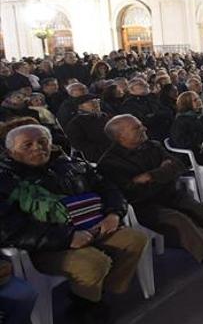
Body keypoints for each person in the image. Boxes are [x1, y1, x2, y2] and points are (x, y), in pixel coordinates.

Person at [0, 124, 148, 322]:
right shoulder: (6, 181)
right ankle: (88, 305)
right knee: (94, 263)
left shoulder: (69, 164)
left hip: (92, 227)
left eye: (43, 142)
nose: (38, 148)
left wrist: (114, 213)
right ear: (10, 151)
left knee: (135, 239)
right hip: (46, 245)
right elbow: (8, 229)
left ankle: (93, 297)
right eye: (27, 145)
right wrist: (67, 237)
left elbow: (108, 187)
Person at [98, 115, 203, 281]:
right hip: (143, 206)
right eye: (137, 128)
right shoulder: (110, 163)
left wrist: (150, 176)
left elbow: (178, 165)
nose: (144, 129)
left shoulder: (152, 146)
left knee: (199, 209)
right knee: (178, 220)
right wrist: (164, 173)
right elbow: (133, 193)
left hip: (169, 195)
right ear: (121, 137)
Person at [64, 94, 112, 163]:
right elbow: (79, 145)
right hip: (97, 156)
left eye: (97, 101)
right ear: (80, 106)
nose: (96, 104)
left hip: (112, 151)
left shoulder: (103, 116)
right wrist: (102, 149)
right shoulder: (76, 123)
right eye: (91, 102)